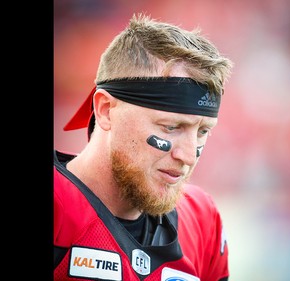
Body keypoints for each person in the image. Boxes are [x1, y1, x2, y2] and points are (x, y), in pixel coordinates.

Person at [54, 13, 233, 281]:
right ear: (105, 111)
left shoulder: (201, 220)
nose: (187, 156)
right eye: (170, 127)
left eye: (203, 131)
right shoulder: (59, 207)